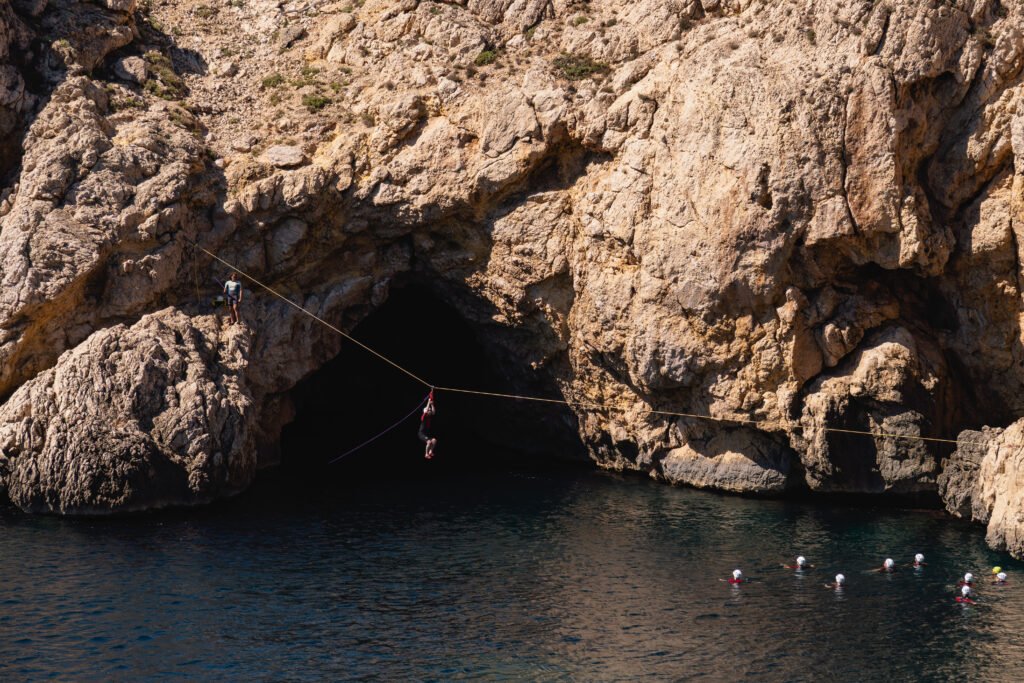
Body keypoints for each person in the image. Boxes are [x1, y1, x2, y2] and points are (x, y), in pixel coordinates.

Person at [418, 393, 437, 460]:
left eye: (429, 410)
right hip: (421, 434)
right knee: (429, 442)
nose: (429, 410)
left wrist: (432, 404)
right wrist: (428, 402)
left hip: (426, 434)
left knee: (434, 440)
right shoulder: (423, 417)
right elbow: (426, 410)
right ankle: (426, 454)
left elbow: (434, 412)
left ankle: (430, 452)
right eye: (428, 410)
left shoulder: (429, 416)